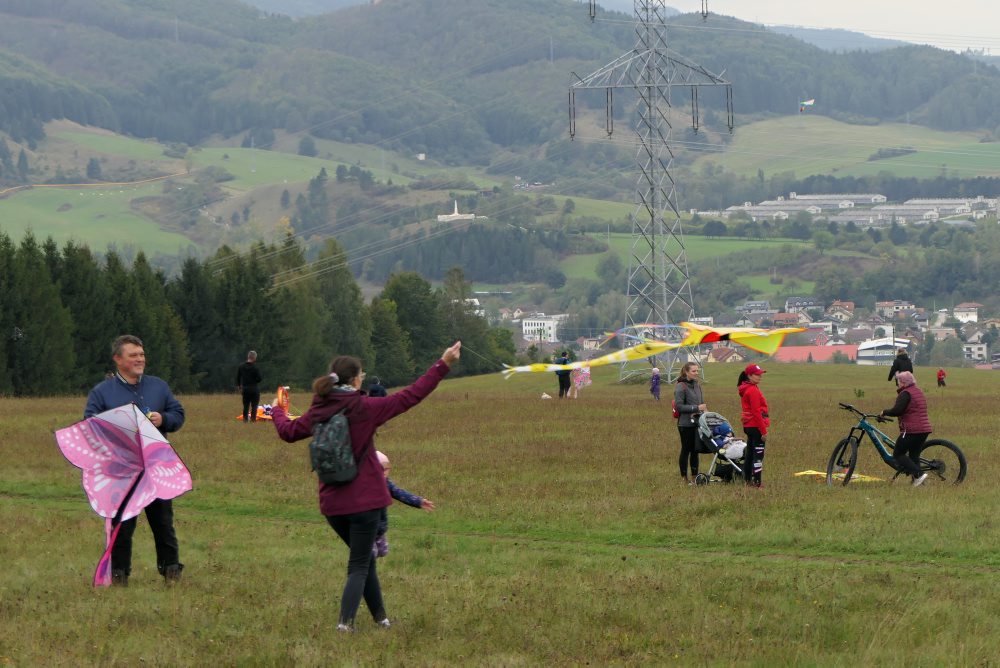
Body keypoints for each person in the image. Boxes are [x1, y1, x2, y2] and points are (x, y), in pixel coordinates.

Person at [271, 341, 461, 632]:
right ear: (356, 379)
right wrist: (443, 363)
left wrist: (277, 411)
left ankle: (381, 619)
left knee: (365, 559)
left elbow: (288, 432)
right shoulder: (364, 407)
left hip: (332, 505)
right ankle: (344, 625)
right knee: (359, 564)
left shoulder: (318, 410)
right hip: (365, 503)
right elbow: (412, 395)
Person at [84, 334, 186, 586]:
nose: (140, 359)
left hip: (156, 469)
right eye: (133, 355)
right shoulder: (102, 392)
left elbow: (178, 413)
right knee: (122, 526)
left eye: (141, 355)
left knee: (163, 523)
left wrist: (163, 419)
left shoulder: (158, 386)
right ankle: (119, 575)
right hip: (121, 472)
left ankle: (171, 572)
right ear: (118, 359)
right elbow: (90, 424)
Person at [373, 451, 435, 558]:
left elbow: (399, 493)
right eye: (381, 467)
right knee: (369, 557)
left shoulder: (387, 483)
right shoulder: (366, 486)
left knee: (383, 551)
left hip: (380, 528)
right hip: (365, 529)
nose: (385, 471)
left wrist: (419, 501)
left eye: (387, 467)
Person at [879, 371, 930, 487]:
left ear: (903, 382)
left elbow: (897, 411)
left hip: (912, 430)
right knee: (913, 456)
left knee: (898, 454)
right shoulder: (918, 391)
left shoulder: (905, 393)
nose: (897, 384)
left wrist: (884, 412)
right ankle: (919, 482)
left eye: (898, 382)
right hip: (924, 429)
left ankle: (919, 474)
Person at [737, 363, 769, 487]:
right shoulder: (752, 390)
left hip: (748, 426)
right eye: (757, 375)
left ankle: (747, 480)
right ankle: (757, 483)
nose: (760, 377)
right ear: (749, 376)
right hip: (756, 426)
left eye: (760, 374)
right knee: (758, 456)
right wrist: (763, 431)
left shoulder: (746, 388)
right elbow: (756, 412)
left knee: (750, 453)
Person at [675, 362, 707, 485]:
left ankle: (694, 477)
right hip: (685, 424)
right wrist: (695, 408)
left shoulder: (697, 385)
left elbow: (702, 403)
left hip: (697, 423)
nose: (696, 373)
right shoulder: (680, 386)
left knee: (695, 450)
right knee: (686, 450)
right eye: (694, 371)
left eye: (697, 371)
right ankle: (684, 478)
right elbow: (679, 407)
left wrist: (705, 413)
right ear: (686, 372)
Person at [236, 350, 263, 422]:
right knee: (254, 406)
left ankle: (245, 420)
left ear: (248, 356)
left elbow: (238, 377)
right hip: (254, 389)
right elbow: (260, 379)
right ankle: (253, 420)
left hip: (245, 389)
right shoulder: (255, 368)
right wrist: (254, 380)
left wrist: (239, 386)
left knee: (246, 406)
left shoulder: (241, 366)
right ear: (254, 358)